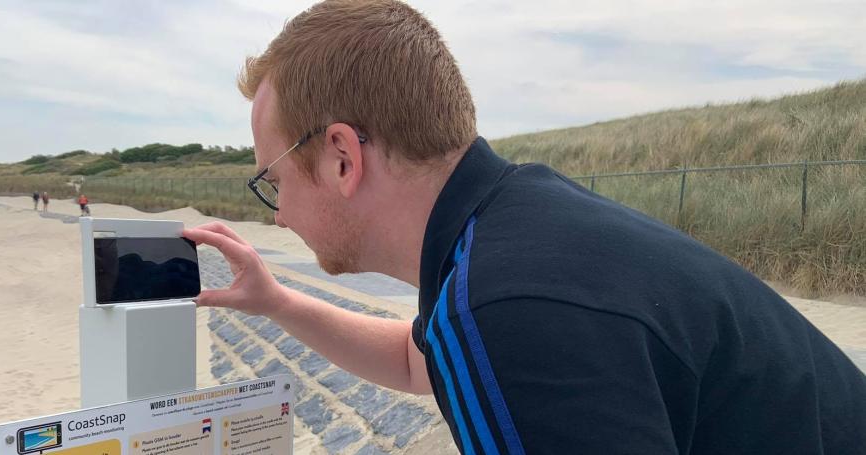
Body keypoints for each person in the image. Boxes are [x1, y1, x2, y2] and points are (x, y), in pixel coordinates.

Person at [182, 1, 866, 454]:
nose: (278, 211)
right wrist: (274, 300)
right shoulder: (518, 226)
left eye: (272, 179)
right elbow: (414, 360)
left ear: (340, 157)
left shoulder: (504, 309)